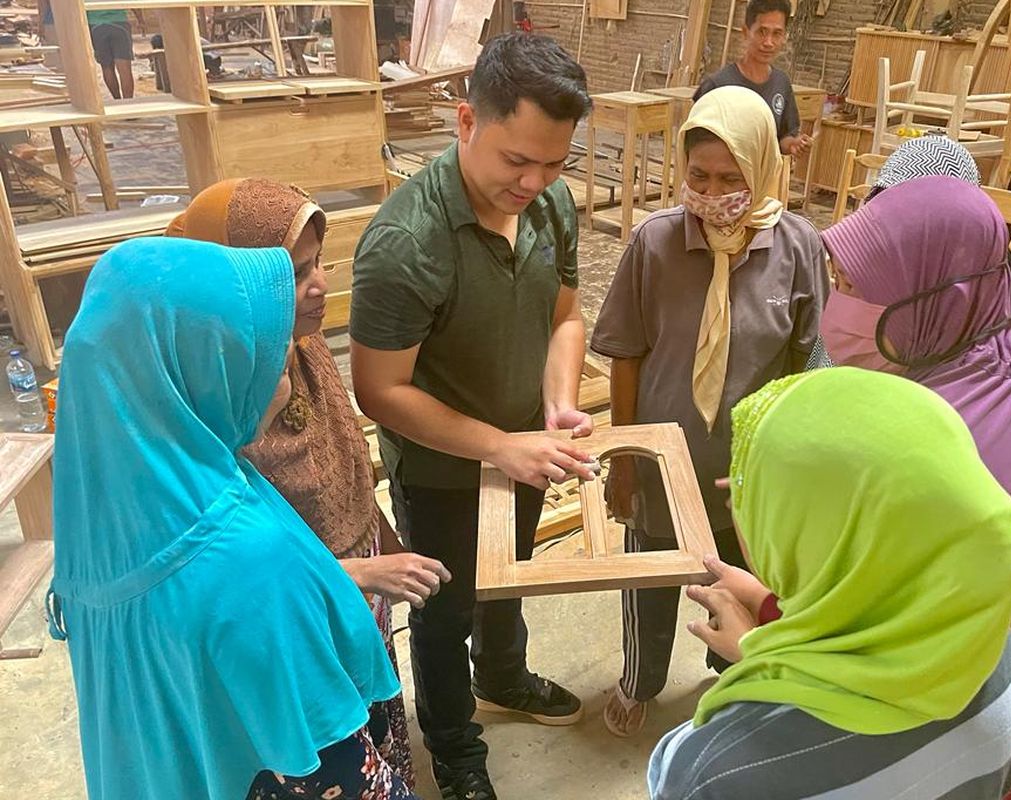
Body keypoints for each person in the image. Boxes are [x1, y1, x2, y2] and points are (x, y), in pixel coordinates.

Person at [47, 237, 413, 799]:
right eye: (262, 361)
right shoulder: (248, 561)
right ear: (189, 378)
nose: (287, 383)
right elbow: (337, 776)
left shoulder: (100, 528)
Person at [819, 176, 1011, 799]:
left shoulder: (932, 436)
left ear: (937, 297)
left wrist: (762, 624)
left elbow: (867, 622)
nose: (837, 307)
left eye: (856, 290)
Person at [350, 33, 595, 800]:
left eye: (554, 163)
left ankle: (506, 674)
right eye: (516, 160)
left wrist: (556, 403)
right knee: (443, 609)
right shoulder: (404, 243)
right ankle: (454, 744)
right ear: (465, 122)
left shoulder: (551, 206)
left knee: (508, 578)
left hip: (527, 446)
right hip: (443, 469)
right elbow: (380, 391)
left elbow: (564, 316)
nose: (535, 180)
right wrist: (498, 446)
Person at [166, 177, 451, 790]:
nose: (320, 285)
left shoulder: (300, 346)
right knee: (323, 750)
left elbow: (344, 453)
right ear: (234, 285)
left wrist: (381, 539)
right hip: (288, 621)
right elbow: (230, 573)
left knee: (371, 718)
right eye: (295, 274)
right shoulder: (213, 399)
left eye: (318, 263)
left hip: (353, 579)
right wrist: (362, 575)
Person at [646, 368, 1011, 799]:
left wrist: (761, 654)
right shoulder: (1002, 658)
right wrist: (766, 615)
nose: (737, 505)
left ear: (815, 534)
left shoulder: (718, 769)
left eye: (745, 492)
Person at [590, 84, 829, 737]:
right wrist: (625, 462)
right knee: (648, 580)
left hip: (751, 475)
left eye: (731, 177)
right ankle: (640, 681)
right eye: (698, 175)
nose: (711, 191)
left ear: (761, 170)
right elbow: (628, 356)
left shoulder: (800, 249)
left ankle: (726, 678)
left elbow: (810, 364)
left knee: (739, 579)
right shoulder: (657, 243)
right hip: (664, 461)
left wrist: (798, 470)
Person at [693, 0, 810, 157]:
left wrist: (793, 145)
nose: (769, 42)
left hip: (765, 179)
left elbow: (783, 137)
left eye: (777, 34)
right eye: (762, 32)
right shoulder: (717, 85)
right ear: (745, 32)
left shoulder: (781, 84)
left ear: (784, 37)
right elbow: (694, 142)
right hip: (725, 178)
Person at [87, 8, 134, 99]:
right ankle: (128, 103)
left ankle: (117, 100)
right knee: (125, 68)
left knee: (107, 67)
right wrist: (140, 19)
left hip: (96, 25)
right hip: (119, 22)